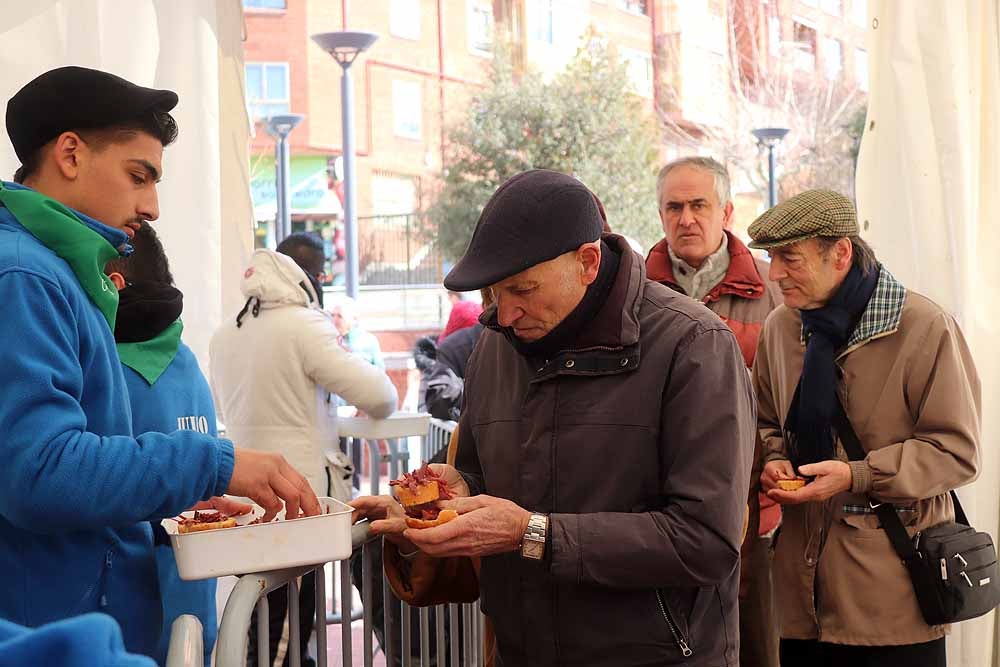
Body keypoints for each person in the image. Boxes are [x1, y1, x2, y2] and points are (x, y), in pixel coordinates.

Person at [353, 169, 756, 666]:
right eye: (495, 294)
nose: (505, 314)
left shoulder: (694, 345)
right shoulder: (495, 346)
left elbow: (707, 540)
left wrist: (534, 533)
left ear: (587, 262)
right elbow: (486, 477)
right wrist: (453, 495)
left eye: (523, 289)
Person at [0, 65, 319, 659]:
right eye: (138, 175)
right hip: (50, 631)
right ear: (69, 153)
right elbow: (37, 472)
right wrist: (210, 461)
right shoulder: (25, 276)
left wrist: (171, 495)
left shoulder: (61, 275)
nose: (151, 206)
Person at [749, 190, 981, 667]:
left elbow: (955, 451)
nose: (774, 274)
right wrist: (773, 459)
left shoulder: (925, 327)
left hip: (891, 604)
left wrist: (857, 474)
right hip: (799, 600)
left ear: (841, 252)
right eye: (772, 258)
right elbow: (765, 419)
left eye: (789, 257)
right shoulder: (779, 328)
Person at [209, 248, 398, 667]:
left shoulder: (226, 333)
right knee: (287, 626)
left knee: (258, 612)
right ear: (306, 278)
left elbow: (222, 406)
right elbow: (380, 396)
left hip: (246, 496)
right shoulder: (305, 327)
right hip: (299, 500)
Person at [645, 156, 782, 667]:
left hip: (757, 505)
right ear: (659, 215)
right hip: (662, 514)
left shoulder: (775, 292)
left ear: (725, 210)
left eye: (698, 205)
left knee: (757, 645)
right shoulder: (634, 294)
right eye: (673, 207)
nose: (686, 219)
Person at [105, 222, 244, 666]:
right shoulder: (184, 358)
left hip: (128, 608)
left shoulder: (107, 370)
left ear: (114, 283)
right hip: (194, 598)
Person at [328, 295, 385, 369]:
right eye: (332, 315)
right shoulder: (330, 340)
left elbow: (381, 371)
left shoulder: (369, 340)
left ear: (354, 319)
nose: (334, 320)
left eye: (340, 316)